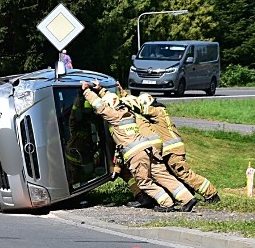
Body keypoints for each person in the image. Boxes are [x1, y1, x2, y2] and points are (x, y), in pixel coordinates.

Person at [81, 80, 193, 212]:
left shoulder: (114, 117)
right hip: (149, 149)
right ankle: (187, 199)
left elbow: (100, 106)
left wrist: (86, 91)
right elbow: (113, 100)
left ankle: (166, 203)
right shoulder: (127, 112)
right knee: (163, 175)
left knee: (143, 182)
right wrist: (101, 90)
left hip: (136, 154)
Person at [136, 92, 220, 203]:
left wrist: (127, 104)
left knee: (184, 173)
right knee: (173, 175)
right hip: (170, 150)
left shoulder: (157, 111)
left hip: (172, 150)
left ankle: (211, 194)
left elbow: (142, 109)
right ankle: (187, 192)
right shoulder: (159, 112)